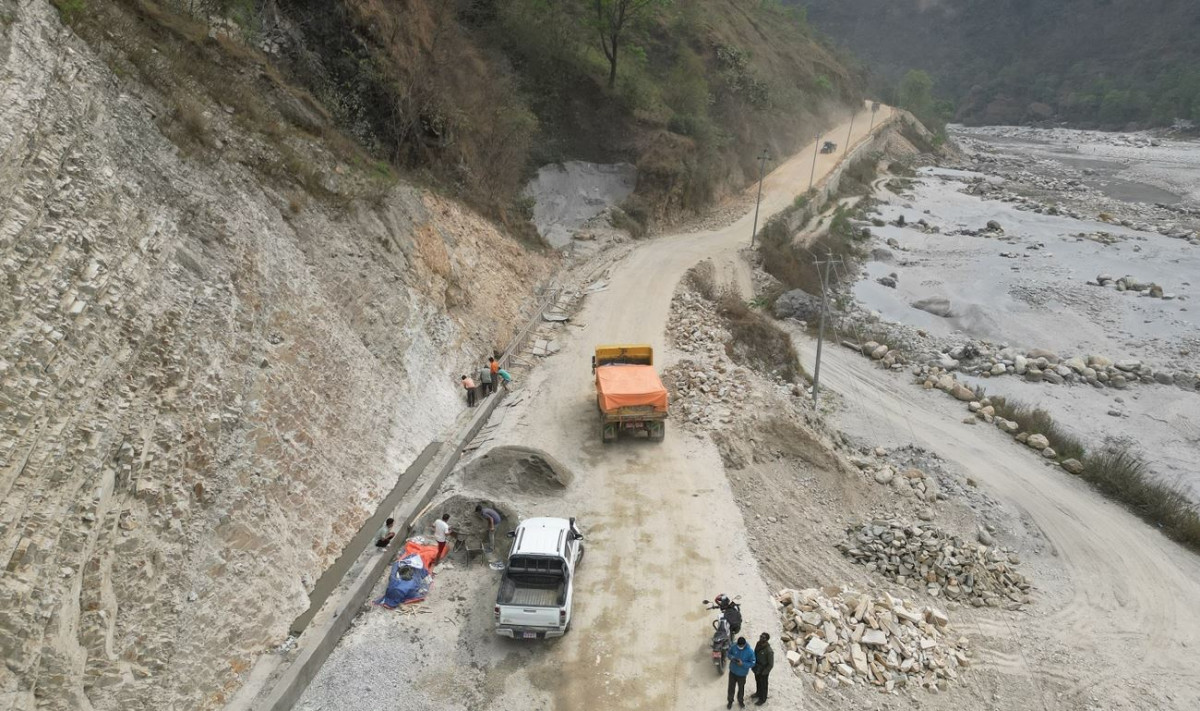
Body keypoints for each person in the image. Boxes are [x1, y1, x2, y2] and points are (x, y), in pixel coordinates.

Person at [726, 636, 756, 709]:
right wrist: (732, 658)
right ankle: (730, 701)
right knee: (731, 688)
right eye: (738, 645)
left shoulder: (750, 652)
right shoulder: (734, 646)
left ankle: (740, 700)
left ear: (744, 644)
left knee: (741, 688)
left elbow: (752, 663)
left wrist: (743, 664)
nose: (739, 647)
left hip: (742, 675)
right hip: (732, 672)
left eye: (741, 646)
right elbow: (728, 653)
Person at [752, 632, 774, 705]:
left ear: (767, 640)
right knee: (758, 681)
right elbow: (754, 653)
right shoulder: (758, 644)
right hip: (757, 667)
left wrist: (765, 672)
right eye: (761, 636)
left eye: (763, 637)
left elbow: (771, 664)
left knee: (763, 685)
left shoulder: (769, 651)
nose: (761, 638)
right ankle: (758, 693)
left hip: (763, 669)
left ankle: (763, 699)